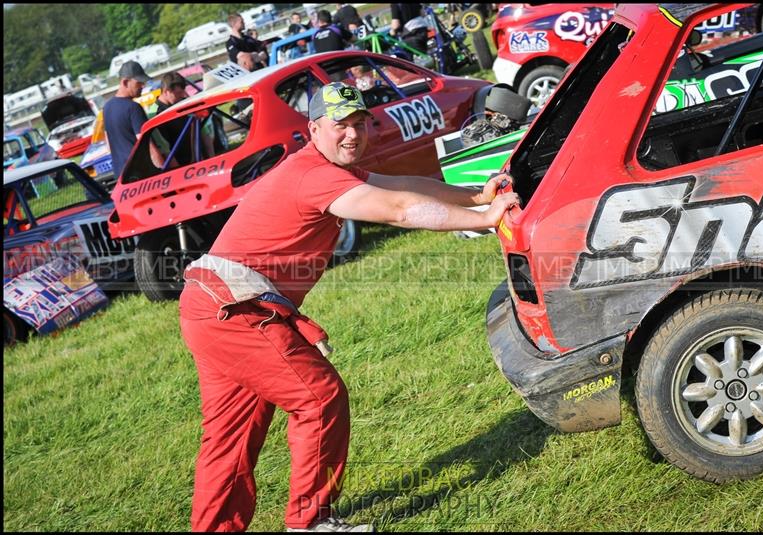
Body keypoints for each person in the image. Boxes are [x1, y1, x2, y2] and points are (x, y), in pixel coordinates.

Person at [179, 82, 518, 532]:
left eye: (359, 123)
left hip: (210, 305)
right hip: (234, 310)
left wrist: (475, 195)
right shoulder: (314, 174)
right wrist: (482, 220)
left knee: (231, 438)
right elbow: (398, 209)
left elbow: (400, 184)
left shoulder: (325, 168)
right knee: (318, 397)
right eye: (341, 124)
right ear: (314, 128)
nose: (352, 134)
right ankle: (310, 523)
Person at [103, 61, 165, 177]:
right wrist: (164, 171)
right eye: (139, 82)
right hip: (142, 175)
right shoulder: (133, 108)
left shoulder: (107, 108)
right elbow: (147, 145)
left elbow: (108, 144)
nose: (143, 86)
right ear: (125, 82)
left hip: (122, 176)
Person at [150, 72, 215, 166]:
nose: (182, 96)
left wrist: (211, 157)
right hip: (179, 167)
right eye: (178, 93)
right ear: (166, 91)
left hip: (198, 161)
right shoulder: (154, 114)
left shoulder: (182, 102)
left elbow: (203, 131)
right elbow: (163, 149)